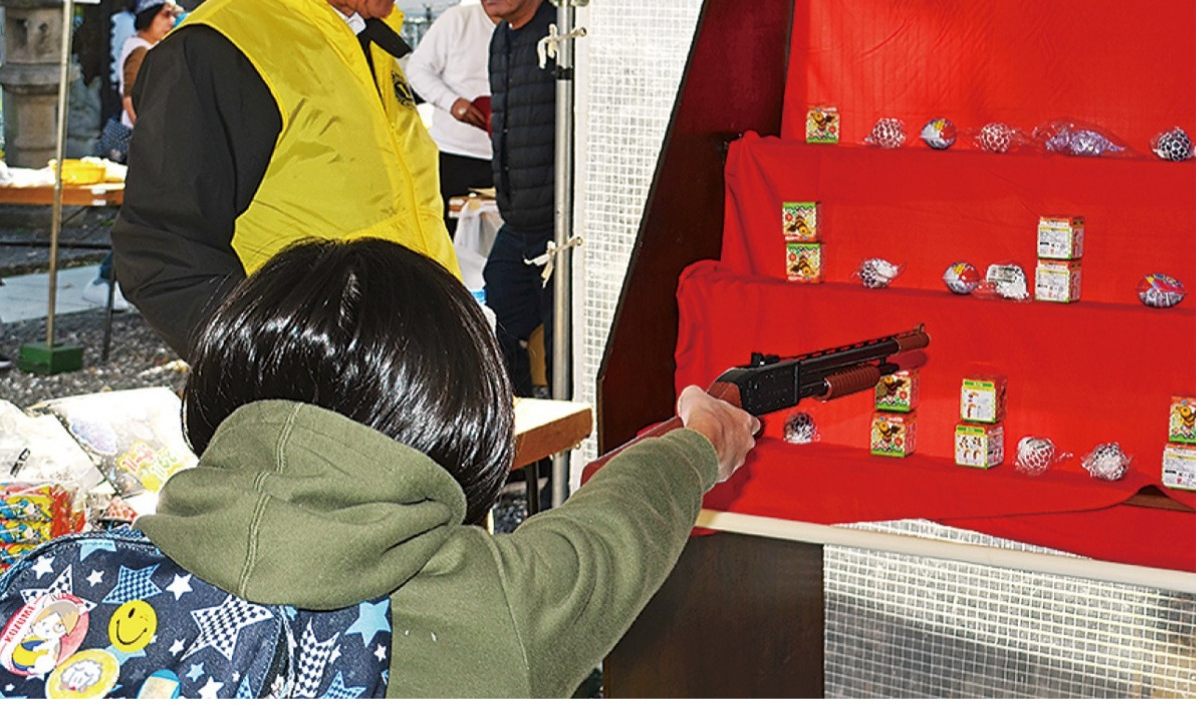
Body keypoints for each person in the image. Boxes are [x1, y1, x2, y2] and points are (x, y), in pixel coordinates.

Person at [0, 237, 759, 698]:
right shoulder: (499, 605)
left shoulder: (63, 576)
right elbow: (614, 530)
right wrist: (698, 442)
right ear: (455, 414)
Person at [110, 0, 467, 360]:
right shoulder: (215, 52)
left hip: (415, 393)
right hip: (318, 418)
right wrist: (286, 375)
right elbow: (163, 260)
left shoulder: (368, 39)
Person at [470, 0, 558, 397]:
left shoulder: (562, 32)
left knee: (563, 340)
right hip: (517, 220)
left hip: (559, 228)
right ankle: (522, 426)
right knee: (494, 319)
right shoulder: (500, 39)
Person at [84, 0, 182, 311]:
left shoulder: (144, 46)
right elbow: (131, 99)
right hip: (136, 147)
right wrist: (152, 137)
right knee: (139, 217)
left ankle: (117, 279)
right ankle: (105, 278)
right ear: (149, 16)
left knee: (142, 218)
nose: (170, 21)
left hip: (141, 144)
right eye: (165, 14)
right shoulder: (140, 49)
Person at [405, 0, 499, 234]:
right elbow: (417, 69)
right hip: (455, 156)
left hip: (521, 161)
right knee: (446, 242)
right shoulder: (457, 20)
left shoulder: (548, 25)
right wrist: (452, 103)